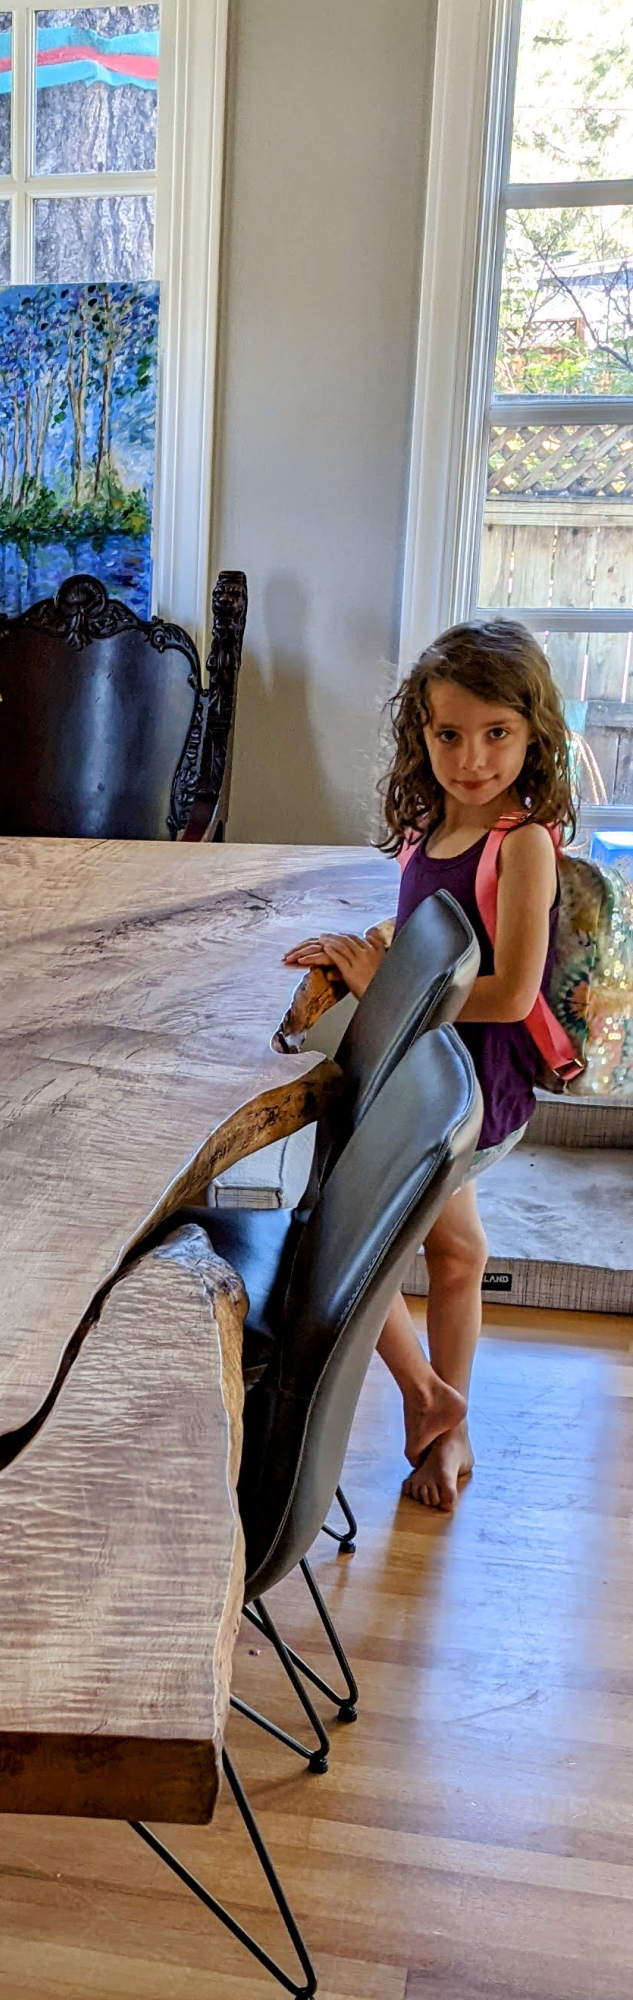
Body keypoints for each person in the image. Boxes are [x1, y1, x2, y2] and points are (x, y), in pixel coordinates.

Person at [283, 620, 573, 1512]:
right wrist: (374, 948)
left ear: (533, 735)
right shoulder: (427, 830)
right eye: (448, 734)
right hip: (418, 1072)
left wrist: (388, 984)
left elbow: (512, 991)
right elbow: (430, 930)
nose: (471, 759)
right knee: (455, 1251)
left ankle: (429, 1404)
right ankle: (445, 1423)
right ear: (420, 730)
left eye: (497, 734)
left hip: (465, 1086)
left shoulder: (521, 844)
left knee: (356, 1247)